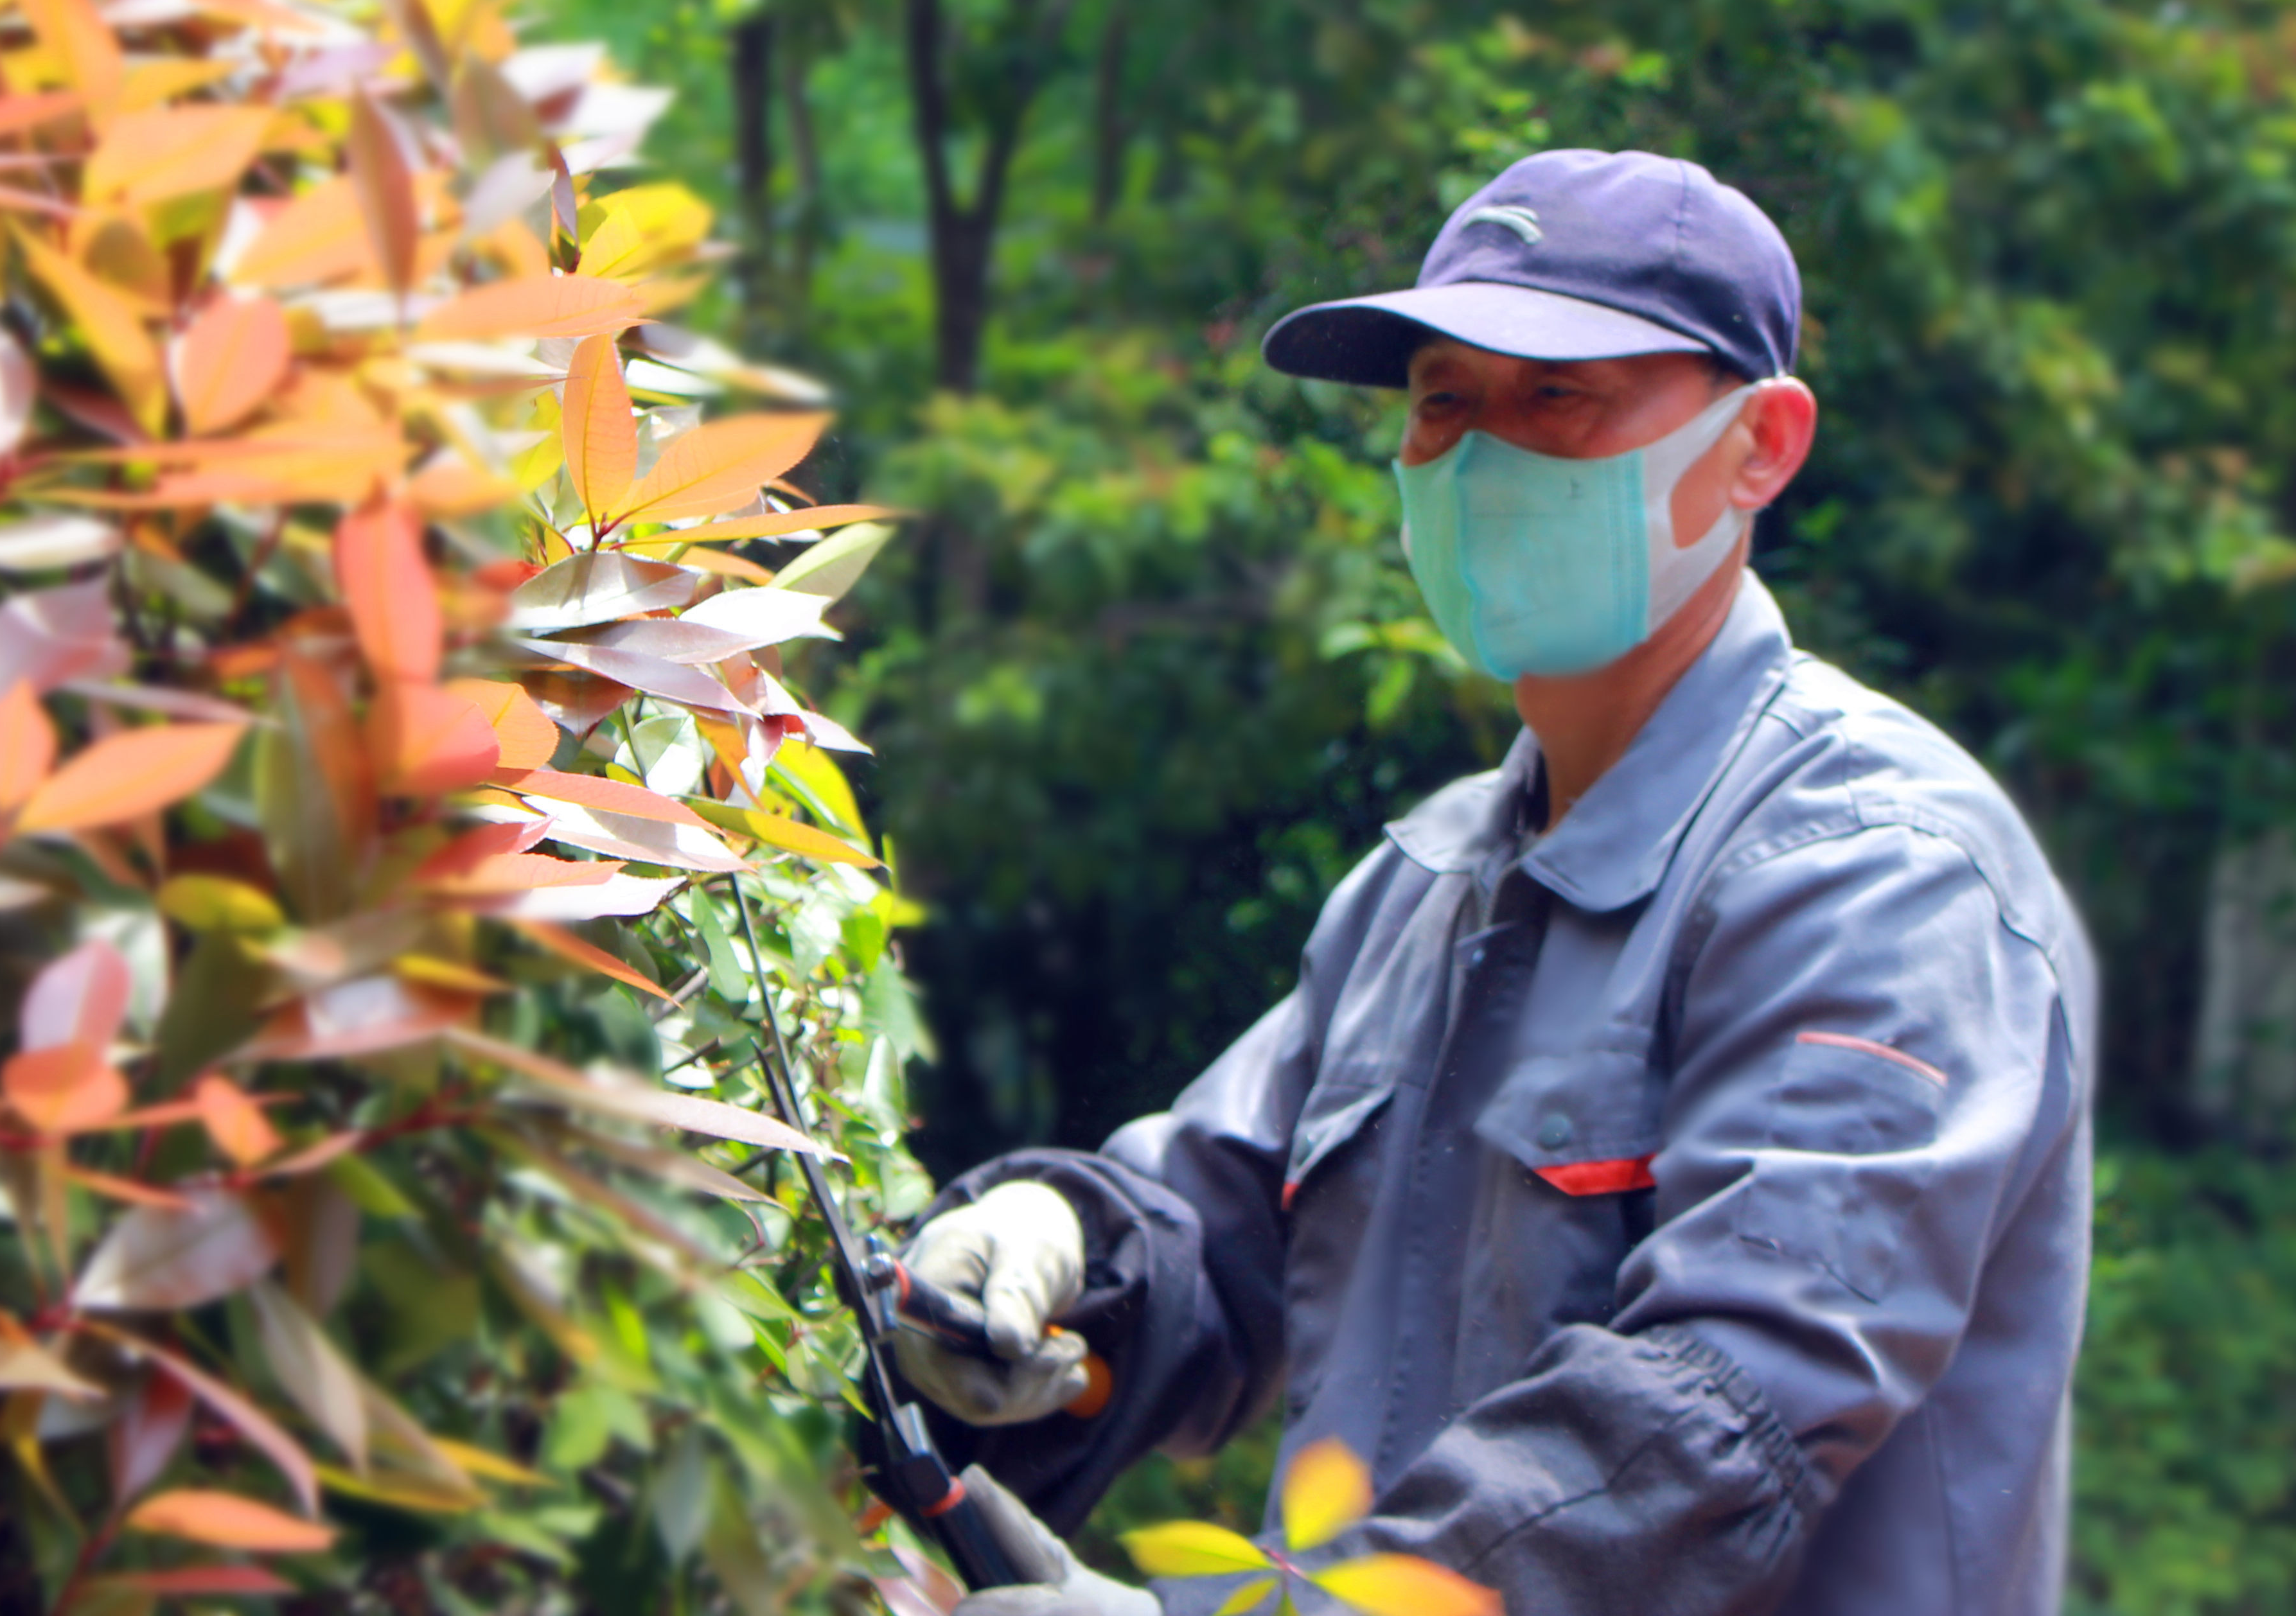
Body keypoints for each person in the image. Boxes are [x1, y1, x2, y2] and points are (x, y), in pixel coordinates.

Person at [896, 149, 2098, 1615]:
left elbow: (1723, 1412)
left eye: (1557, 399)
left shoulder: (1877, 877)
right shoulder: (1427, 885)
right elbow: (1210, 1236)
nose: (1478, 461)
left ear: (1761, 446)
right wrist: (1043, 1250)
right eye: (1443, 403)